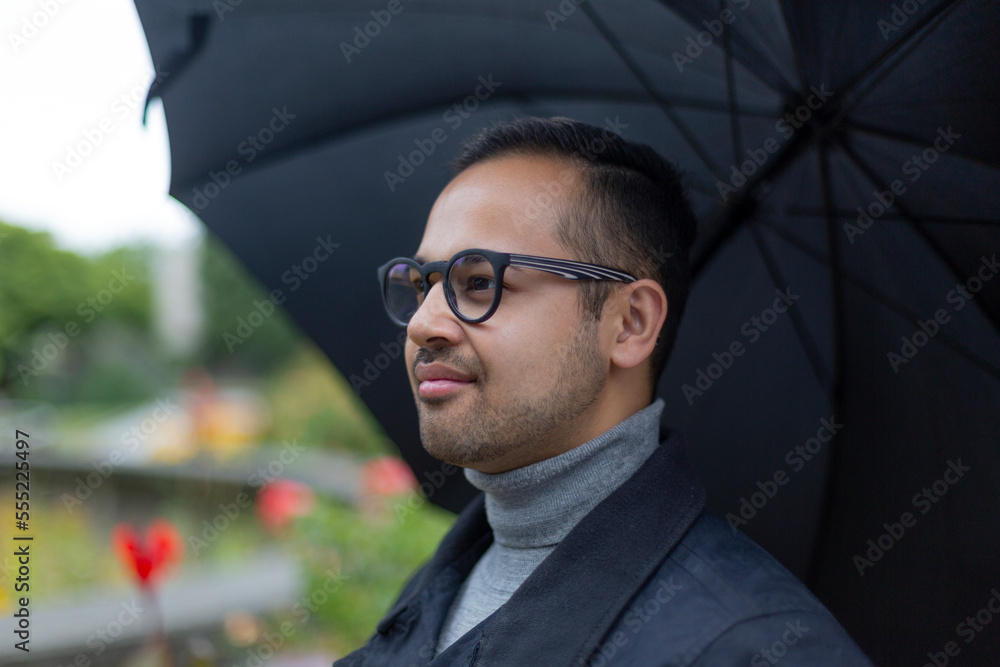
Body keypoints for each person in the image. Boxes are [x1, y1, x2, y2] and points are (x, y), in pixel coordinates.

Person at [335, 117, 872, 665]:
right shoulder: (438, 587)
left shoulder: (748, 646)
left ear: (631, 323)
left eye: (479, 282)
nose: (423, 324)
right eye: (424, 284)